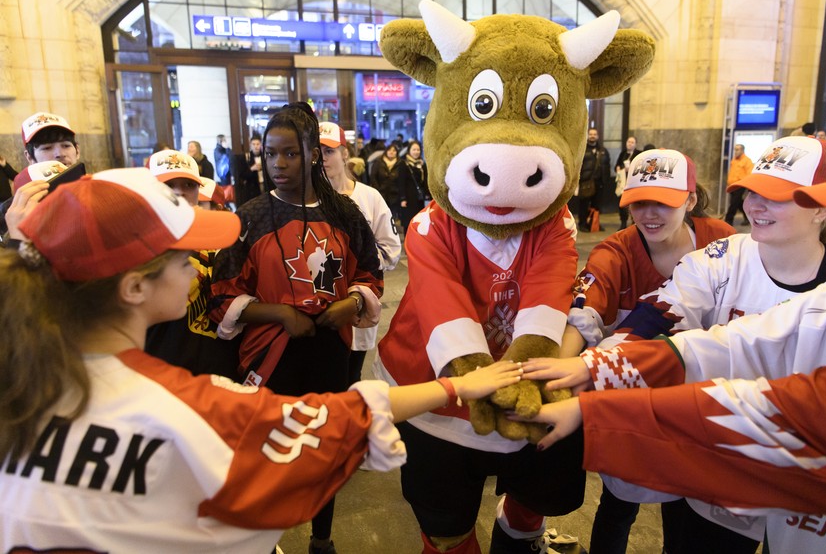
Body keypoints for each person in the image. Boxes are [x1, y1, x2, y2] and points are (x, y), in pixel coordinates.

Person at [0, 166, 524, 552]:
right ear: (134, 286)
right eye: (184, 258)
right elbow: (343, 420)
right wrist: (458, 387)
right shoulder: (182, 411)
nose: (196, 268)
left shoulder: (19, 383)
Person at [526, 137, 826, 554]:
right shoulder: (722, 255)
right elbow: (659, 321)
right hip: (719, 461)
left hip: (820, 487)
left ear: (822, 207)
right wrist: (592, 369)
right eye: (752, 192)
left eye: (776, 197)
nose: (754, 206)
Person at [209, 103, 383, 554]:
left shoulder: (344, 213)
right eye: (270, 154)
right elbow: (223, 294)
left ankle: (322, 539)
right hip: (268, 357)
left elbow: (370, 272)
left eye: (290, 153)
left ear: (311, 154)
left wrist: (351, 302)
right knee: (265, 454)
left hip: (329, 350)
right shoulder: (248, 218)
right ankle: (259, 541)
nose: (278, 164)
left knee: (322, 448)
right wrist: (280, 313)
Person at [560, 148, 734, 554]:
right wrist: (560, 369)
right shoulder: (615, 251)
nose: (649, 213)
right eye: (638, 202)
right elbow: (583, 309)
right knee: (620, 503)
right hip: (633, 394)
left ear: (690, 200)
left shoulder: (724, 242)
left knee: (687, 507)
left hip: (703, 402)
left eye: (663, 202)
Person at [143, 149, 239, 379]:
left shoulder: (221, 234)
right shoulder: (139, 245)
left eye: (188, 184)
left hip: (219, 363)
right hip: (164, 367)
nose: (180, 191)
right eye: (169, 184)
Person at [320, 121, 401, 384]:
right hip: (319, 308)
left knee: (351, 377)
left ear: (345, 153)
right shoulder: (306, 200)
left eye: (329, 150)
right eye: (315, 151)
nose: (322, 158)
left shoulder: (370, 197)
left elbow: (391, 250)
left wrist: (354, 265)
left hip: (359, 305)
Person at [578, 128, 610, 231]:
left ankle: (594, 223)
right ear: (588, 135)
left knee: (596, 205)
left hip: (599, 182)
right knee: (584, 204)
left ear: (597, 136)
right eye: (590, 134)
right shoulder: (582, 149)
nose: (592, 136)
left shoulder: (603, 150)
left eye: (594, 134)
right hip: (586, 181)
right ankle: (582, 224)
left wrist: (606, 179)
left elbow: (607, 165)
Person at [370, 142, 405, 225]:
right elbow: (373, 177)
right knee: (381, 217)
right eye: (389, 150)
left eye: (394, 150)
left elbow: (402, 179)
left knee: (393, 218)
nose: (391, 152)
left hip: (395, 195)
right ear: (386, 151)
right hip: (381, 193)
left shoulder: (400, 163)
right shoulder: (379, 162)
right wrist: (377, 189)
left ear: (397, 152)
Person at [399, 139, 429, 235]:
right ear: (409, 151)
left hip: (419, 198)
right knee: (408, 221)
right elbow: (401, 182)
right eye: (414, 150)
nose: (416, 152)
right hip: (408, 197)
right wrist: (402, 198)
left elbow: (425, 181)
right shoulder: (404, 164)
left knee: (418, 220)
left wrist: (428, 194)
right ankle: (408, 242)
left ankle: (416, 242)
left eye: (418, 150)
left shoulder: (422, 164)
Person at [613, 136, 641, 230]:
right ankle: (623, 222)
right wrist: (618, 167)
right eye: (628, 142)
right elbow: (617, 165)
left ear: (635, 144)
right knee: (622, 203)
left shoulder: (638, 154)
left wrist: (631, 169)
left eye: (632, 142)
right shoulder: (623, 153)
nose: (630, 144)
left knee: (634, 203)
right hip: (622, 183)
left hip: (633, 183)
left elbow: (640, 168)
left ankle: (634, 222)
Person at [723, 143, 753, 226]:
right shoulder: (734, 160)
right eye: (735, 149)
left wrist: (745, 185)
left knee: (733, 203)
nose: (735, 151)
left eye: (737, 149)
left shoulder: (747, 161)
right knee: (739, 203)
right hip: (732, 185)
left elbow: (749, 174)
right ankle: (747, 218)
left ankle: (728, 220)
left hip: (740, 185)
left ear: (742, 150)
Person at [233, 132, 265, 208]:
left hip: (265, 186)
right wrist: (251, 169)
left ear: (261, 145)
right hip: (252, 189)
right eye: (253, 144)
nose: (256, 146)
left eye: (257, 144)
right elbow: (241, 175)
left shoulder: (266, 157)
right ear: (250, 145)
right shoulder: (246, 157)